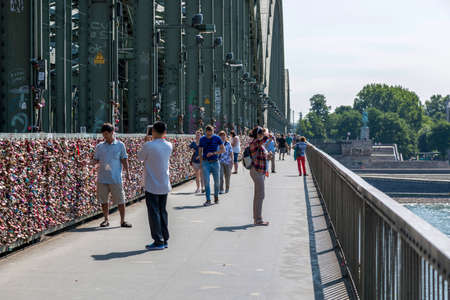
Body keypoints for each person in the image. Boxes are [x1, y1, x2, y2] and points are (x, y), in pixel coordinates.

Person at [137, 121, 173, 250]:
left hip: (152, 183)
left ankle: (158, 240)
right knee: (162, 211)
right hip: (164, 183)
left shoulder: (148, 145)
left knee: (154, 212)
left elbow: (140, 157)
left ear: (153, 131)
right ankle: (165, 238)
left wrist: (146, 142)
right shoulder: (169, 145)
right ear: (165, 132)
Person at [92, 123, 132, 228]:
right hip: (102, 178)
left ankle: (123, 221)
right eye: (103, 134)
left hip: (115, 178)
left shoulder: (120, 145)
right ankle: (106, 219)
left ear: (112, 133)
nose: (105, 136)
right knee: (104, 201)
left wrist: (128, 173)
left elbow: (124, 159)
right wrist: (89, 163)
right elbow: (96, 159)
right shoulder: (99, 146)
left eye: (106, 134)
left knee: (120, 200)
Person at [249, 126, 271, 226]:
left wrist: (268, 156)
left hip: (260, 171)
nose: (262, 135)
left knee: (258, 195)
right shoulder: (255, 142)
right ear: (256, 134)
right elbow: (266, 137)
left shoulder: (259, 144)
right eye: (260, 133)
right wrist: (265, 131)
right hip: (256, 171)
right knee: (260, 195)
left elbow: (262, 156)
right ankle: (258, 219)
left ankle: (257, 219)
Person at [199, 125, 226, 206]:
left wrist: (214, 153)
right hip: (205, 162)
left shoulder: (217, 138)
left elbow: (223, 149)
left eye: (211, 134)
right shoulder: (202, 139)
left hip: (215, 162)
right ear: (205, 132)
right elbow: (200, 151)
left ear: (213, 132)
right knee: (206, 182)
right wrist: (201, 163)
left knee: (217, 182)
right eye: (208, 134)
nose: (209, 136)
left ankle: (216, 197)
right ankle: (208, 200)